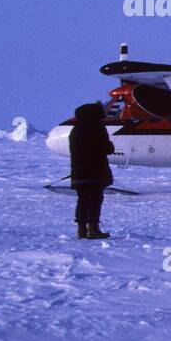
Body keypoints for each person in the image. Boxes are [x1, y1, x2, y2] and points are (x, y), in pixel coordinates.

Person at [69, 102, 114, 239]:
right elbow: (106, 148)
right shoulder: (97, 127)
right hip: (96, 172)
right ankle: (93, 229)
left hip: (79, 172)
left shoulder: (75, 129)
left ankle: (81, 230)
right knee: (95, 200)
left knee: (82, 200)